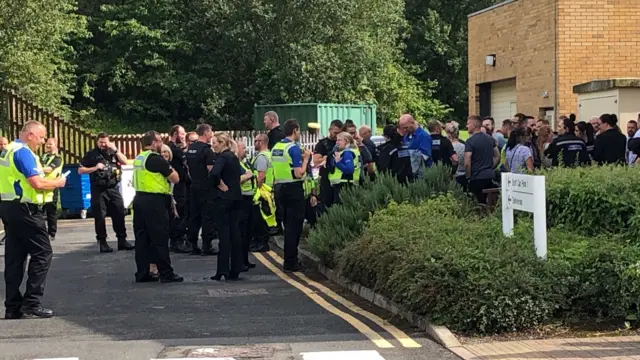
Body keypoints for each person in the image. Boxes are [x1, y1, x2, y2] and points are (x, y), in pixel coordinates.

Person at [1, 121, 67, 319]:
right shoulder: (23, 153)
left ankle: (12, 306)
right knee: (43, 253)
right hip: (26, 208)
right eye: (40, 137)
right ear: (30, 135)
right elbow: (37, 183)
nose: (42, 141)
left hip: (7, 206)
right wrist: (58, 183)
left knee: (15, 257)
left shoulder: (7, 151)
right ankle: (31, 302)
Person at [131, 131, 183, 283]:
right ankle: (166, 273)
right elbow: (175, 178)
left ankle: (142, 272)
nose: (161, 144)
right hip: (155, 201)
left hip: (139, 198)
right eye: (160, 141)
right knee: (160, 238)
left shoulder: (140, 157)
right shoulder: (156, 159)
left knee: (142, 238)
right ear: (153, 142)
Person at [79, 132, 134, 253]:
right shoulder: (91, 154)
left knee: (119, 212)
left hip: (113, 187)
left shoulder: (112, 152)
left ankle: (122, 240)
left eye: (105, 142)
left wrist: (116, 150)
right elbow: (80, 170)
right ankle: (102, 242)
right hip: (99, 189)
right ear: (97, 142)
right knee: (100, 216)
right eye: (101, 142)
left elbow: (125, 162)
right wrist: (94, 168)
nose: (103, 144)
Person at [271, 119, 311, 271]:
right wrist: (306, 159)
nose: (299, 134)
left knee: (287, 225)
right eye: (299, 131)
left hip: (280, 187)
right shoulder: (293, 149)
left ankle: (289, 258)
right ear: (295, 131)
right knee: (294, 226)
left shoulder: (276, 147)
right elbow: (299, 173)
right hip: (293, 188)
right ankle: (291, 261)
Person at [209, 132, 244, 281]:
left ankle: (222, 270)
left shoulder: (222, 158)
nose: (213, 146)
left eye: (215, 143)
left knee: (224, 236)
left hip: (223, 200)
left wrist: (218, 183)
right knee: (235, 234)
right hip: (236, 198)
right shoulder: (234, 157)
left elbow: (214, 174)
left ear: (222, 143)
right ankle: (235, 268)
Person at [185, 124, 217, 255]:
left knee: (194, 216)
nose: (212, 134)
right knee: (207, 216)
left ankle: (192, 244)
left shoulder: (191, 149)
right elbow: (211, 170)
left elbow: (187, 168)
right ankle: (206, 245)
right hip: (205, 187)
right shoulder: (207, 150)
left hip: (194, 186)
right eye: (211, 132)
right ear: (206, 133)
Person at [464, 115, 500, 204]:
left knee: (478, 204)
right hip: (490, 176)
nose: (466, 126)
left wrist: (468, 176)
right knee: (491, 203)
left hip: (477, 177)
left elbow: (467, 162)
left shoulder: (470, 141)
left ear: (474, 125)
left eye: (468, 124)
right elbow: (497, 156)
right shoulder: (490, 139)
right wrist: (491, 167)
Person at [167, 125, 191, 253]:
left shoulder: (174, 148)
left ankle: (178, 239)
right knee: (179, 212)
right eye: (182, 134)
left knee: (181, 212)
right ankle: (177, 241)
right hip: (176, 186)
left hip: (181, 184)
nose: (184, 136)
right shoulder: (171, 149)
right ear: (175, 134)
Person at [249, 134, 273, 253]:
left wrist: (255, 189)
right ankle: (260, 242)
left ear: (262, 142)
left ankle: (262, 243)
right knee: (263, 217)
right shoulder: (268, 154)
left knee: (259, 218)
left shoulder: (262, 157)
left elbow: (261, 176)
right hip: (267, 190)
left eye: (256, 141)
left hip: (262, 191)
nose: (254, 143)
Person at [313, 120, 343, 212]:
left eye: (339, 133)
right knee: (326, 206)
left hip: (339, 180)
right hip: (326, 180)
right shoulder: (322, 144)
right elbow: (316, 161)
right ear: (329, 130)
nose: (337, 136)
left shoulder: (342, 143)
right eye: (335, 133)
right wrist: (327, 158)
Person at [236, 141, 258, 271]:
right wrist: (248, 175)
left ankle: (245, 259)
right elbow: (237, 180)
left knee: (248, 232)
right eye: (243, 148)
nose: (246, 150)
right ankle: (240, 261)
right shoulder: (235, 163)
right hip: (241, 200)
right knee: (241, 232)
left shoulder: (245, 162)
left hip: (250, 199)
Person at [41, 138, 63, 242]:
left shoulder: (57, 158)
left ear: (56, 145)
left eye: (50, 144)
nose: (48, 146)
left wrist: (35, 170)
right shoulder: (44, 156)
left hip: (52, 187)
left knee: (51, 212)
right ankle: (42, 233)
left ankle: (51, 233)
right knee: (40, 212)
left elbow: (49, 169)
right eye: (47, 144)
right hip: (42, 186)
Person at [328, 132, 360, 204]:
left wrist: (338, 162)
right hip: (349, 183)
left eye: (339, 140)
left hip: (344, 184)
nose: (337, 142)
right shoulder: (354, 151)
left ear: (346, 141)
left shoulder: (347, 152)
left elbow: (349, 169)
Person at [398, 114, 432, 178]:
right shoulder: (406, 135)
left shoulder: (424, 136)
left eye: (406, 127)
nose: (404, 130)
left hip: (421, 175)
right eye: (403, 128)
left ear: (412, 123)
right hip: (409, 174)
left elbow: (424, 156)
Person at [0, 136, 8, 246]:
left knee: (6, 216)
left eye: (4, 144)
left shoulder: (9, 155)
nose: (3, 147)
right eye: (1, 144)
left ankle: (8, 234)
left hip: (5, 191)